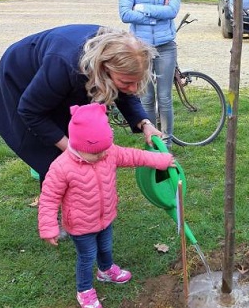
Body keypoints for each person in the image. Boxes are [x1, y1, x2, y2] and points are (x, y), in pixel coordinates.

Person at [0, 25, 163, 190]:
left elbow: (125, 90)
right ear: (104, 69)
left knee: (79, 133)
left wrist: (145, 123)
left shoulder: (123, 55)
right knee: (54, 152)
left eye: (137, 82)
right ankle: (56, 204)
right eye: (126, 82)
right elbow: (31, 111)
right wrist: (71, 150)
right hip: (22, 74)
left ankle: (84, 204)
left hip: (67, 70)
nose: (133, 88)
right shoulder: (65, 65)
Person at [38, 102, 174, 308]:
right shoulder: (62, 167)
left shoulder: (107, 152)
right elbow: (49, 197)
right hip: (81, 225)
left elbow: (134, 155)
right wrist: (49, 226)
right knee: (87, 256)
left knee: (105, 247)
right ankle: (84, 290)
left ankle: (106, 270)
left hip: (105, 217)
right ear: (78, 146)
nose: (102, 155)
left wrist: (160, 160)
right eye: (96, 153)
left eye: (105, 150)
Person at [119, 0, 181, 148]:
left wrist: (143, 8)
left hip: (166, 46)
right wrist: (157, 14)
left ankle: (167, 144)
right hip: (140, 49)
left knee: (164, 98)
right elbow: (125, 13)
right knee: (146, 97)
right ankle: (152, 142)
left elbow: (172, 11)